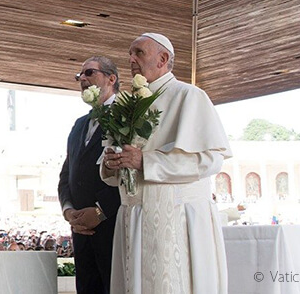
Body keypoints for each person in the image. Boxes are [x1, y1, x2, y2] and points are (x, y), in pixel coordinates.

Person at [102, 33, 232, 294]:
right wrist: (111, 164)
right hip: (133, 216)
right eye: (130, 53)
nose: (131, 59)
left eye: (139, 52)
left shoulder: (189, 96)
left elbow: (210, 160)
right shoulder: (127, 104)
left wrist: (146, 162)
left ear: (163, 58)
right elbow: (110, 170)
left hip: (176, 217)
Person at [59, 56, 121, 294]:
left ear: (111, 78)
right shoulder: (78, 125)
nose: (82, 79)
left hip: (113, 227)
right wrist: (69, 211)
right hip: (81, 230)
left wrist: (100, 211)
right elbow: (67, 173)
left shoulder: (128, 117)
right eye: (80, 76)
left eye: (89, 73)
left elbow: (132, 174)